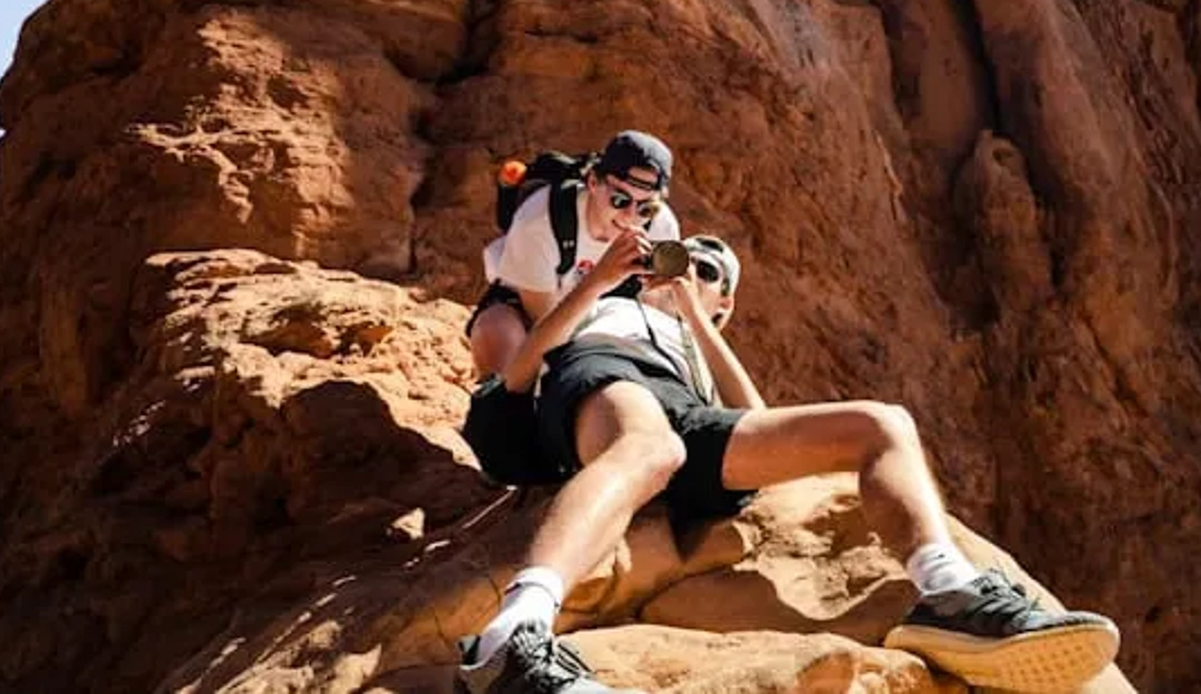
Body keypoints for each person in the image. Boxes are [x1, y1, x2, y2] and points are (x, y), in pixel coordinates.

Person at [456, 234, 1120, 694]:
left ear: (725, 301)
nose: (689, 268)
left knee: (881, 423)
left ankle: (948, 594)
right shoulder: (610, 304)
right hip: (597, 373)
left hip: (683, 409)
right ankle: (510, 638)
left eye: (711, 271)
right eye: (684, 255)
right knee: (649, 447)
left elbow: (751, 414)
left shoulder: (695, 337)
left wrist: (696, 313)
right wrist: (603, 281)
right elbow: (523, 363)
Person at [467, 131, 681, 380]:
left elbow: (656, 314)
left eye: (647, 207)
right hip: (538, 310)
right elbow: (543, 326)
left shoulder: (660, 228)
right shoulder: (540, 220)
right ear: (593, 182)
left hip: (608, 317)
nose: (630, 216)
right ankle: (502, 408)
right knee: (496, 329)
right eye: (620, 199)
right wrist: (598, 280)